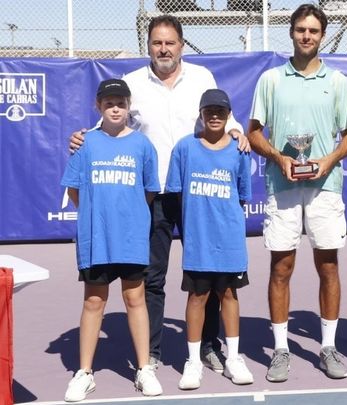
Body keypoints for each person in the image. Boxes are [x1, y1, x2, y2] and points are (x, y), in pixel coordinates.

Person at [69, 14, 250, 373]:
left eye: (170, 42)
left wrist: (238, 131)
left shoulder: (202, 78)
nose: (163, 49)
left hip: (197, 193)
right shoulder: (134, 83)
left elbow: (220, 118)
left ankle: (209, 347)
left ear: (181, 45)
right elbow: (113, 121)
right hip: (152, 195)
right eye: (156, 43)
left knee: (208, 273)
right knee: (152, 275)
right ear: (148, 46)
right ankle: (150, 351)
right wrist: (83, 135)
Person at [247, 3, 347, 382]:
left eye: (313, 31)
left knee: (328, 266)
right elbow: (254, 132)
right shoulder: (271, 80)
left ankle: (328, 346)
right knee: (282, 267)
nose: (306, 36)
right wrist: (279, 158)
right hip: (283, 186)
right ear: (291, 33)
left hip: (326, 187)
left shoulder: (337, 81)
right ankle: (280, 350)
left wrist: (326, 161)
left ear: (322, 35)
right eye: (300, 30)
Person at [61, 79, 163, 402]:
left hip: (131, 238)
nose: (115, 108)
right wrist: (96, 214)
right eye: (109, 103)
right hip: (97, 239)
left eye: (120, 102)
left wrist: (128, 215)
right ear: (98, 107)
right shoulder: (85, 144)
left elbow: (148, 192)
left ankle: (144, 368)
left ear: (129, 105)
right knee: (94, 302)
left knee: (136, 298)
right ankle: (85, 373)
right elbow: (75, 189)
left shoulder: (143, 146)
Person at [166, 89, 254, 389]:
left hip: (229, 240)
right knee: (197, 297)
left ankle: (233, 358)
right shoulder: (184, 148)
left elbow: (242, 196)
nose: (215, 116)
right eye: (209, 111)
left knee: (229, 295)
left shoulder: (240, 150)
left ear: (229, 115)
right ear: (201, 114)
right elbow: (176, 192)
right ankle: (193, 361)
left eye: (220, 111)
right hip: (198, 241)